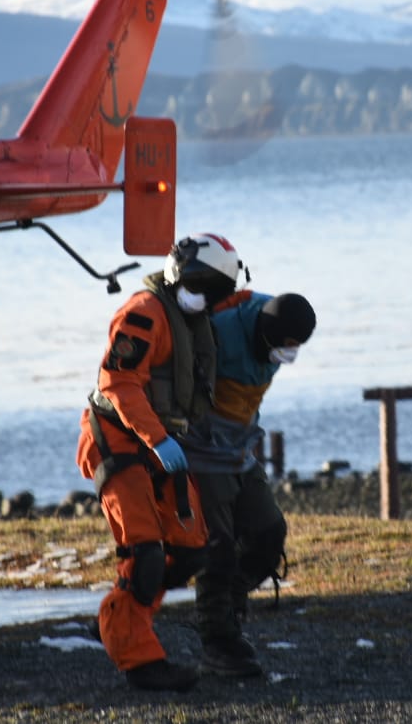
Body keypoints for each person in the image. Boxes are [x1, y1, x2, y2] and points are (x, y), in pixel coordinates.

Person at [76, 233, 246, 692]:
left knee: (190, 548)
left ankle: (119, 621)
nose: (207, 297)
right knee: (145, 552)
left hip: (161, 444)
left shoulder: (198, 314)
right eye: (201, 285)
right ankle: (140, 662)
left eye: (217, 290)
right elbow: (118, 382)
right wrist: (156, 439)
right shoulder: (144, 314)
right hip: (119, 438)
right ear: (178, 272)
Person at [182, 291, 316, 677]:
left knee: (269, 530)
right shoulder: (219, 334)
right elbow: (178, 384)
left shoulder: (275, 325)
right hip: (202, 450)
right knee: (218, 543)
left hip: (241, 448)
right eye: (288, 345)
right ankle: (218, 639)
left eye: (297, 347)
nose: (290, 353)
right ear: (268, 335)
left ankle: (232, 597)